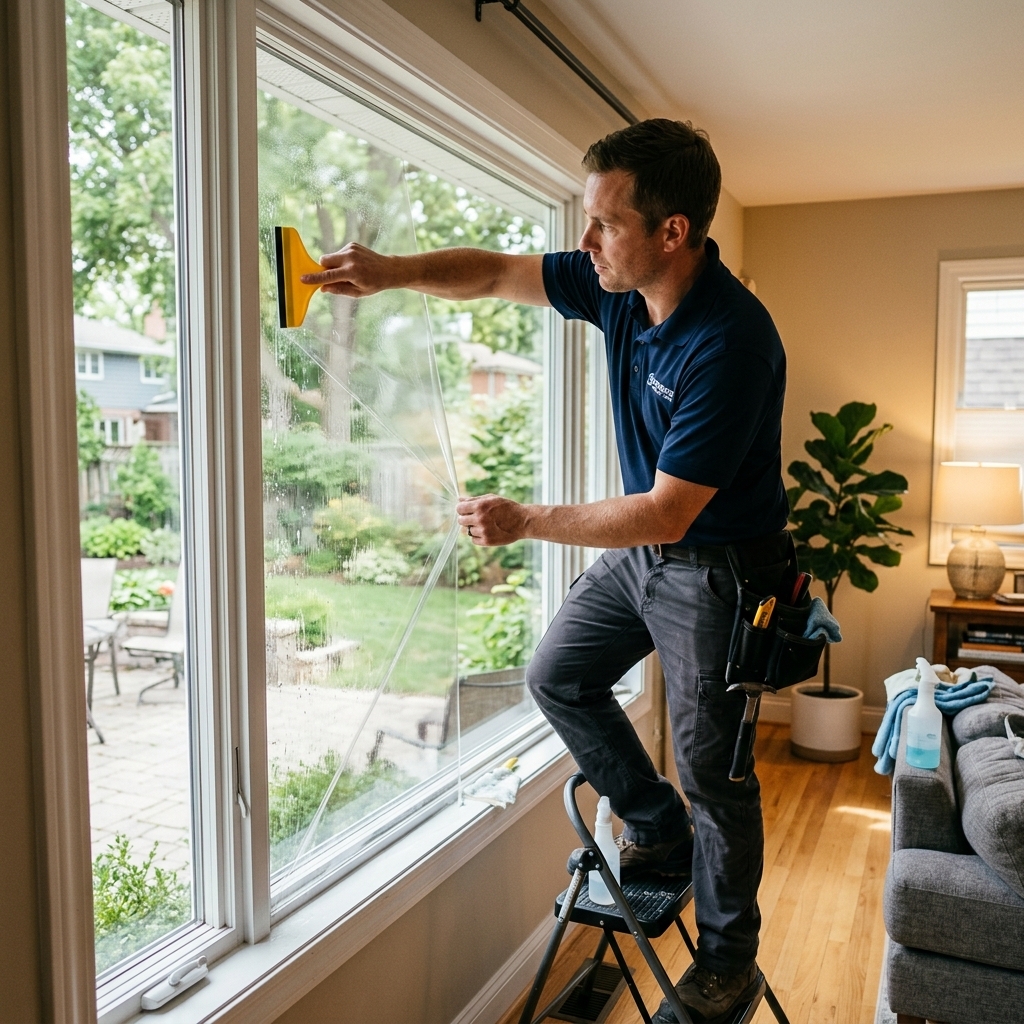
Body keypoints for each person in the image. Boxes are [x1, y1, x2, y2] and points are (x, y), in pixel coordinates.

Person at [302, 118, 789, 1024]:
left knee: (715, 772)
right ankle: (655, 827)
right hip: (651, 551)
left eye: (605, 221)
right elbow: (492, 272)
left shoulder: (732, 341)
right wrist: (394, 270)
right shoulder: (614, 286)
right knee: (557, 674)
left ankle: (728, 963)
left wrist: (525, 520)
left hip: (721, 569)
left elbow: (667, 509)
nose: (585, 241)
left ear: (671, 231)